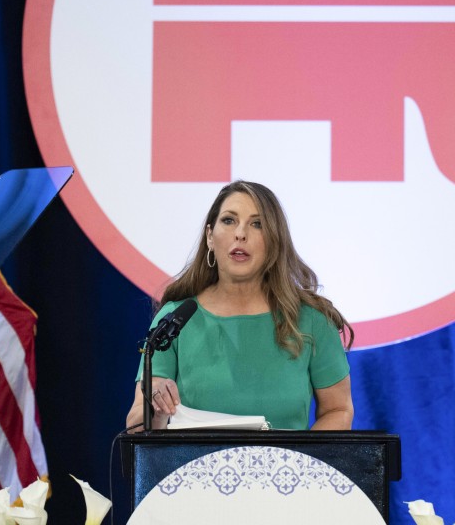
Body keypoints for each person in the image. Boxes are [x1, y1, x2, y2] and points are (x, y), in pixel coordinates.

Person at [126, 180, 354, 431]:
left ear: (274, 241)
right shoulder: (175, 320)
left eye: (257, 224)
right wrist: (155, 410)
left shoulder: (311, 321)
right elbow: (137, 425)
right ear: (210, 237)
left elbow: (338, 409)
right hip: (195, 469)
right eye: (229, 220)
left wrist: (299, 463)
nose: (240, 233)